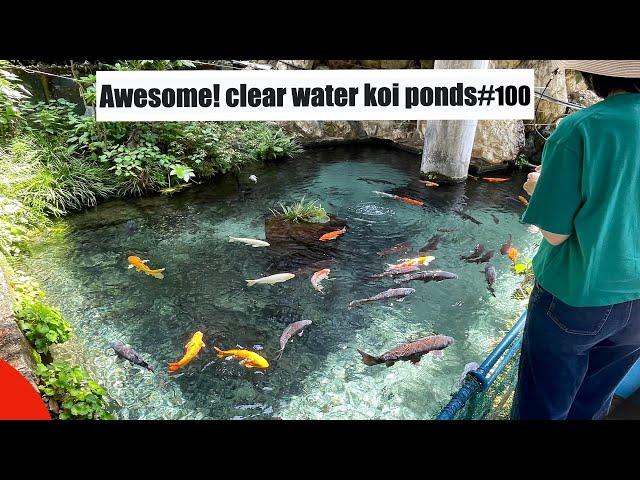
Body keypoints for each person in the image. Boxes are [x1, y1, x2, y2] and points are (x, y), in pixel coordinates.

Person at [512, 61, 640, 420]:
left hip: (577, 298)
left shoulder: (580, 128)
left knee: (542, 409)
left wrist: (538, 189)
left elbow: (555, 233)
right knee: (592, 402)